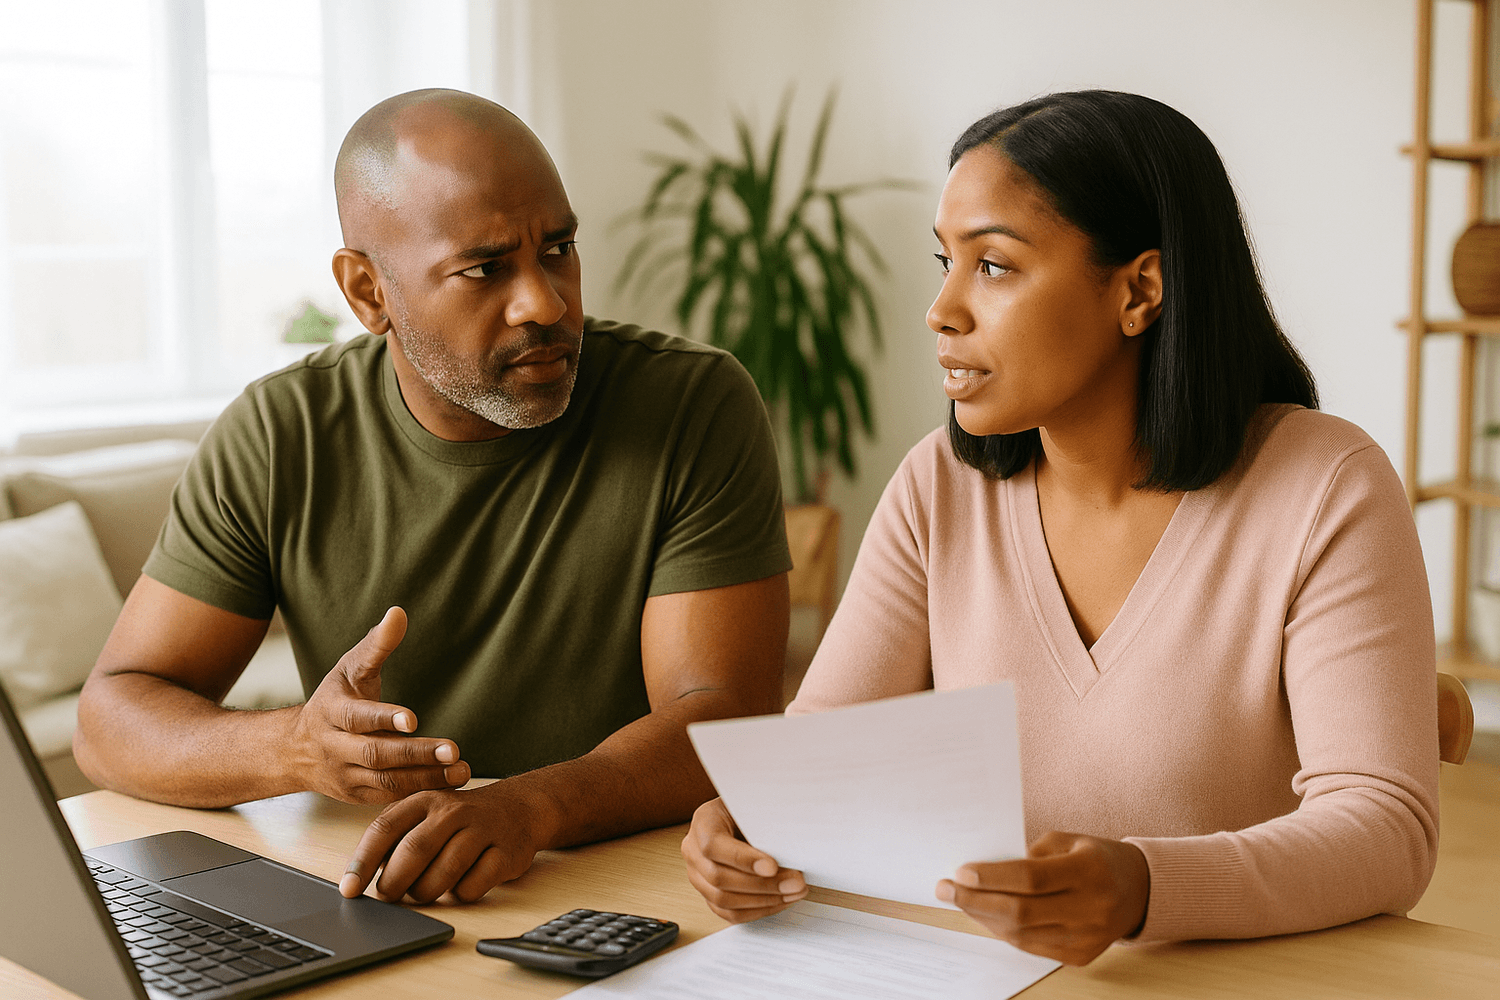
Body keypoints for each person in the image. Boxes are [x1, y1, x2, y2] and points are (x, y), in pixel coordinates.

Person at [681, 90, 1439, 966]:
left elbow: (1388, 832)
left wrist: (1145, 889)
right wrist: (745, 824)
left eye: (994, 266)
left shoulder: (1324, 487)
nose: (942, 311)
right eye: (945, 262)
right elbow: (816, 755)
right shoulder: (939, 484)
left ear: (1140, 290)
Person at [74, 88, 792, 905]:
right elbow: (110, 720)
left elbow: (722, 716)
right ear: (368, 293)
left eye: (557, 249)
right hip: (377, 895)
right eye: (485, 269)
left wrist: (531, 806)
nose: (546, 303)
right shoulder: (280, 434)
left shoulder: (691, 404)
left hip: (622, 890)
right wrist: (296, 749)